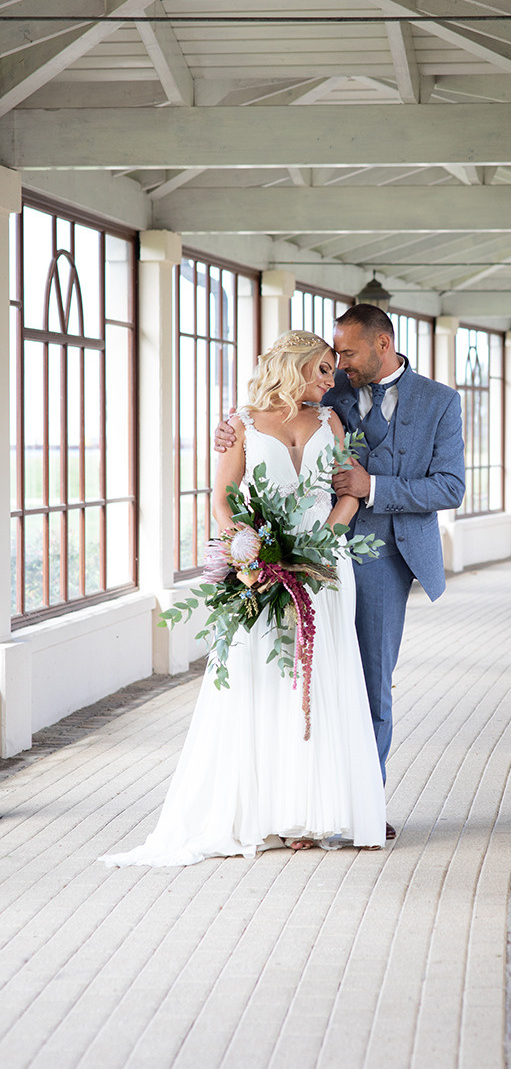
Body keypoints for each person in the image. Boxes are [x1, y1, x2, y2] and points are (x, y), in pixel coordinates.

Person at [100, 331, 385, 866]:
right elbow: (224, 501)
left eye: (333, 370)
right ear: (293, 368)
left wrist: (323, 540)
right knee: (264, 678)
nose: (331, 380)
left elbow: (347, 490)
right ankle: (265, 813)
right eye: (322, 370)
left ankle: (311, 814)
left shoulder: (331, 422)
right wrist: (249, 552)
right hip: (262, 572)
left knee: (320, 679)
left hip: (324, 568)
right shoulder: (245, 424)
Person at [215, 305, 466, 830]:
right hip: (300, 556)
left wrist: (372, 488)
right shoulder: (331, 392)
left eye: (348, 353)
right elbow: (273, 412)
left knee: (368, 680)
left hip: (381, 556)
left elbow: (450, 487)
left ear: (383, 343)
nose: (340, 364)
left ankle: (360, 807)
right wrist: (227, 430)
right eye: (334, 356)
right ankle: (298, 801)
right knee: (301, 677)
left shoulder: (441, 402)